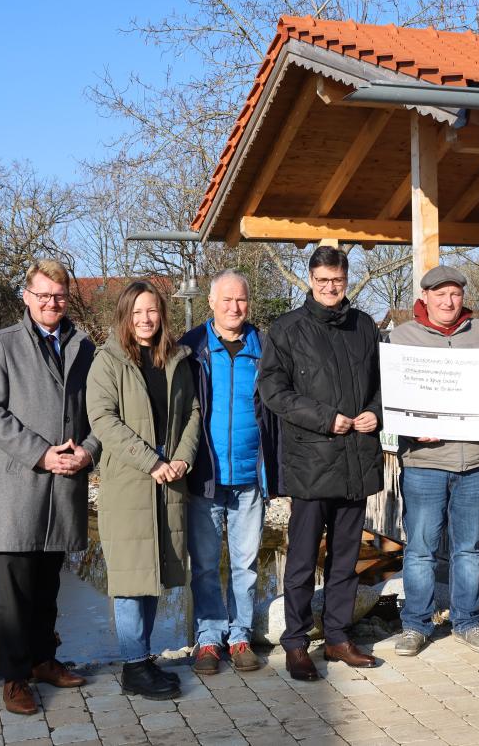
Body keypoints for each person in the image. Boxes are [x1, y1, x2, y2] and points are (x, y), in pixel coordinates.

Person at [0, 260, 99, 715]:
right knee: (12, 593)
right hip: (18, 486)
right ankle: (15, 677)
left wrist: (88, 450)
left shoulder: (84, 346)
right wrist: (41, 452)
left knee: (49, 585)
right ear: (25, 296)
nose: (51, 303)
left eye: (59, 296)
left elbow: (101, 411)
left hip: (65, 485)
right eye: (42, 295)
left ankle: (45, 660)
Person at [258, 246, 385, 681]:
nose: (330, 287)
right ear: (310, 280)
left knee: (346, 560)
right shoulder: (287, 329)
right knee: (301, 560)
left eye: (337, 280)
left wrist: (377, 411)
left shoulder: (365, 326)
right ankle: (296, 643)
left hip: (356, 462)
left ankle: (337, 637)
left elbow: (384, 384)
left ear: (347, 279)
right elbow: (273, 391)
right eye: (322, 280)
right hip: (311, 463)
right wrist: (325, 419)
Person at [87, 280, 200, 700]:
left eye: (151, 311)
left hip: (169, 481)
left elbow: (192, 411)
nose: (145, 320)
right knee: (131, 578)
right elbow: (103, 419)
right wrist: (151, 461)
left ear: (162, 314)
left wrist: (182, 459)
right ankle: (133, 666)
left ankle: (142, 657)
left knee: (154, 573)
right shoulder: (108, 361)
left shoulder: (175, 358)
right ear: (124, 317)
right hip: (130, 484)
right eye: (136, 313)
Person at [389, 265, 479, 658]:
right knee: (420, 548)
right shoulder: (401, 338)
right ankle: (416, 624)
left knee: (469, 548)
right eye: (440, 295)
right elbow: (390, 397)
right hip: (425, 460)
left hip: (475, 460)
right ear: (425, 298)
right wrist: (410, 427)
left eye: (454, 294)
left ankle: (468, 621)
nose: (448, 301)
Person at [180, 270, 278, 675]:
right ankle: (207, 639)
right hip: (204, 474)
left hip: (249, 477)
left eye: (241, 300)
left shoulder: (265, 347)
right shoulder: (191, 347)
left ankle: (239, 635)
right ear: (211, 303)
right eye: (227, 300)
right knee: (203, 564)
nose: (235, 308)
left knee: (246, 563)